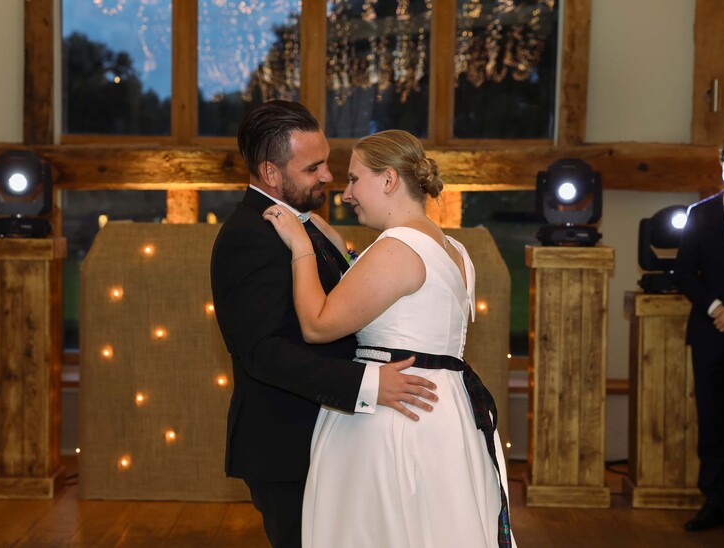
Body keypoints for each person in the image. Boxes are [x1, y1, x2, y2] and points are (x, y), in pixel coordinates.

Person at [264, 129, 515, 547]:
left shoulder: (396, 247)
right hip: (446, 412)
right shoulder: (453, 247)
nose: (345, 193)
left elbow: (318, 324)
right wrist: (336, 246)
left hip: (393, 419)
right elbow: (396, 302)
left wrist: (300, 247)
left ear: (388, 180)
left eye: (354, 178)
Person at [210, 101, 438, 548]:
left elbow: (346, 300)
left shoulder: (304, 224)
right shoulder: (248, 236)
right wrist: (368, 384)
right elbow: (264, 352)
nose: (328, 177)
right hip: (287, 447)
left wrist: (345, 253)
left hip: (332, 438)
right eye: (313, 167)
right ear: (270, 173)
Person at [675, 138, 724, 532]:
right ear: (722, 167)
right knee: (712, 420)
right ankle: (715, 502)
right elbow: (683, 272)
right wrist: (718, 309)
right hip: (712, 331)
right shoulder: (701, 213)